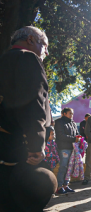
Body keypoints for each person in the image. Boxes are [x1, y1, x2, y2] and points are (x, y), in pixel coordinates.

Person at [0, 26, 57, 211]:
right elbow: (32, 105)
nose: (46, 52)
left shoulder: (4, 59)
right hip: (16, 147)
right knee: (28, 195)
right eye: (45, 46)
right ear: (31, 40)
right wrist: (35, 146)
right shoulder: (27, 57)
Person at [55, 107, 79, 194]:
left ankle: (66, 185)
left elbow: (76, 134)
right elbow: (60, 136)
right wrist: (74, 139)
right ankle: (59, 186)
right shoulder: (59, 122)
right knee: (63, 167)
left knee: (69, 167)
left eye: (72, 113)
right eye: (70, 113)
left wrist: (78, 138)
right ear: (64, 113)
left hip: (72, 148)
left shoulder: (73, 123)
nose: (72, 115)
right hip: (63, 148)